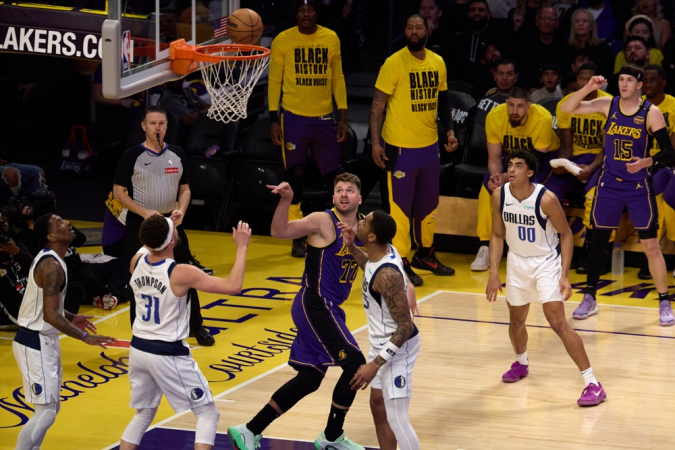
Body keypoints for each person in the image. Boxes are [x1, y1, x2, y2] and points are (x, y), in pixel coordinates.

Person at [227, 173, 367, 450]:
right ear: (333, 197)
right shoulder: (322, 221)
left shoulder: (364, 227)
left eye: (349, 190)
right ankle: (331, 437)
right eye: (339, 190)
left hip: (331, 309)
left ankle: (249, 429)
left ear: (359, 198)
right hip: (314, 304)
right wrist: (287, 200)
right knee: (355, 364)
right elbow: (280, 231)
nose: (343, 194)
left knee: (310, 378)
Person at [119, 215, 251, 450]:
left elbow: (151, 240)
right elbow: (234, 286)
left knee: (143, 414)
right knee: (207, 413)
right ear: (171, 240)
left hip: (138, 348)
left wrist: (167, 224)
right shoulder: (180, 272)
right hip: (166, 352)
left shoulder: (136, 261)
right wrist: (241, 247)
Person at [486, 151, 606, 406]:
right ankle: (521, 364)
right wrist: (494, 272)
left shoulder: (546, 198)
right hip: (517, 262)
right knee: (516, 321)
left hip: (545, 263)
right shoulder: (500, 195)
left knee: (557, 322)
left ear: (530, 173)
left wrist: (564, 274)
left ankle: (593, 383)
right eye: (510, 165)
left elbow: (566, 235)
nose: (512, 169)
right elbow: (497, 235)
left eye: (518, 166)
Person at [560, 65, 675, 325]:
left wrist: (648, 162)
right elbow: (566, 109)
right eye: (621, 79)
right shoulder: (606, 104)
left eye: (629, 80)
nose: (623, 84)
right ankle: (589, 297)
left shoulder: (651, 113)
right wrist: (588, 88)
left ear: (639, 84)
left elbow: (668, 151)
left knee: (651, 245)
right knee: (597, 242)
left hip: (638, 187)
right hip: (609, 184)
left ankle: (665, 301)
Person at [112, 105, 215, 346]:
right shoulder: (131, 155)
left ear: (167, 127)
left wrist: (182, 210)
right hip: (140, 223)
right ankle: (139, 331)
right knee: (138, 277)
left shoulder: (177, 153)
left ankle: (195, 326)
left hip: (171, 222)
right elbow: (118, 192)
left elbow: (185, 189)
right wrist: (144, 212)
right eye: (153, 123)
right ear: (143, 127)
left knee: (186, 273)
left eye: (161, 123)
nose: (157, 127)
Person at [12, 213, 116, 450]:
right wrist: (85, 337)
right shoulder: (52, 267)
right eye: (59, 223)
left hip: (43, 339)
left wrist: (70, 316)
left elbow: (44, 305)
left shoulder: (55, 261)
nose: (67, 223)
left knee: (51, 409)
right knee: (46, 413)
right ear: (50, 236)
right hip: (34, 340)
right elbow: (49, 315)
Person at [370, 14, 458, 287]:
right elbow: (377, 106)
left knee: (429, 204)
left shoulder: (437, 62)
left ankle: (426, 254)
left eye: (419, 27)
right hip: (400, 147)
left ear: (427, 31)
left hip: (429, 145)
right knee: (400, 209)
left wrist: (450, 131)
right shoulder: (393, 63)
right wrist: (375, 142)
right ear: (405, 32)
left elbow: (443, 102)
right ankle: (401, 260)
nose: (414, 31)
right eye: (409, 27)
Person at [268, 0, 350, 258]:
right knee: (294, 177)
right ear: (295, 14)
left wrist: (343, 114)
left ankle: (340, 230)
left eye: (310, 10)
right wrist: (273, 118)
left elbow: (338, 77)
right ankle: (297, 236)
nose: (306, 14)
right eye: (301, 10)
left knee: (334, 178)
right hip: (293, 118)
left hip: (325, 118)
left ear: (317, 12)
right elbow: (275, 80)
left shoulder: (331, 37)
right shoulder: (283, 40)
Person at [339, 210, 421, 450]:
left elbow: (406, 326)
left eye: (364, 221)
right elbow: (369, 266)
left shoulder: (388, 275)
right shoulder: (381, 254)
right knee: (377, 404)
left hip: (399, 347)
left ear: (372, 236)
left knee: (397, 417)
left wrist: (374, 364)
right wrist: (353, 248)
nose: (360, 221)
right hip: (380, 341)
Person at [471, 87, 560, 272]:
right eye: (510, 105)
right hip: (511, 158)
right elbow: (494, 158)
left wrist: (508, 176)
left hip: (541, 160)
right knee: (488, 186)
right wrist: (497, 176)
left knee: (536, 192)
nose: (514, 111)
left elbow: (535, 163)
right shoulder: (495, 116)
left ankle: (537, 250)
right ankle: (485, 246)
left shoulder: (542, 118)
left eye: (520, 106)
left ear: (529, 106)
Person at [548, 62, 612, 274]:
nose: (586, 83)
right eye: (582, 79)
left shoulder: (609, 103)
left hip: (603, 159)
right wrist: (563, 163)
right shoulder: (567, 103)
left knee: (594, 195)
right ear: (576, 81)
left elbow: (609, 145)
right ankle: (551, 248)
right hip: (575, 159)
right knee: (547, 193)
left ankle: (592, 251)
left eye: (590, 78)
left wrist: (592, 167)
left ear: (599, 81)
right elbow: (566, 145)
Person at [636, 65, 675, 279]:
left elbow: (672, 148)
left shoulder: (673, 106)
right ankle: (650, 254)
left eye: (653, 80)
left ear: (663, 83)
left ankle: (654, 255)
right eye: (644, 80)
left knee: (658, 197)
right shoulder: (637, 106)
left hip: (664, 164)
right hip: (639, 162)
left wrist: (656, 163)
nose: (647, 85)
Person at [564, 9, 615, 79]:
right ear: (573, 26)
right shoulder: (566, 48)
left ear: (591, 26)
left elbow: (608, 75)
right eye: (577, 21)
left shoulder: (604, 49)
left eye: (585, 21)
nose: (580, 24)